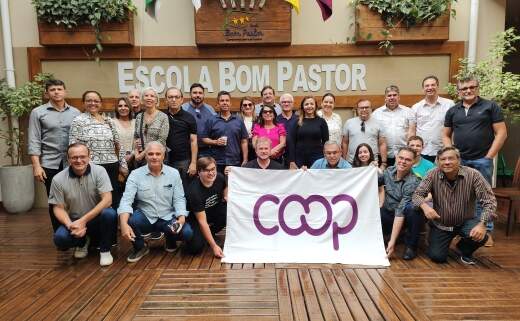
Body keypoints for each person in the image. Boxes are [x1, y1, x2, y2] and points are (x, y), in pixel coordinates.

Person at [442, 75, 507, 243]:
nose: (468, 91)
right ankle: (463, 230)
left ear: (477, 88)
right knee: (460, 196)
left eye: (471, 87)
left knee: (484, 197)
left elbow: (501, 133)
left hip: (482, 160)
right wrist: (452, 155)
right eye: (464, 88)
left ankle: (486, 232)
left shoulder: (490, 107)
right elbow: (445, 135)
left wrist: (488, 157)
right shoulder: (453, 111)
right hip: (460, 161)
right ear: (458, 92)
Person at [412, 147, 497, 264]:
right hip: (441, 224)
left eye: (451, 158)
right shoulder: (432, 174)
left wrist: (482, 224)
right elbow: (417, 195)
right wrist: (425, 206)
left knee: (482, 236)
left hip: (466, 221)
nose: (447, 162)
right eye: (443, 159)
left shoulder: (473, 175)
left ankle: (464, 249)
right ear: (438, 162)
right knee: (437, 257)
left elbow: (489, 201)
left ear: (459, 160)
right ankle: (434, 238)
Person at [118, 141, 192, 263]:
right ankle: (140, 247)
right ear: (145, 156)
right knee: (129, 220)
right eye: (150, 154)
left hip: (168, 217)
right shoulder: (135, 174)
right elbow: (126, 200)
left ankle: (170, 239)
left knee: (187, 233)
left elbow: (179, 198)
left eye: (158, 154)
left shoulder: (174, 173)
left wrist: (181, 219)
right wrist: (123, 223)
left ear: (163, 156)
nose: (154, 157)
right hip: (146, 216)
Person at [49, 143, 117, 266]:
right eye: (74, 157)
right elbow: (58, 208)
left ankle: (105, 250)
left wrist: (83, 221)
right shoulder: (58, 179)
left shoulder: (100, 171)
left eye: (82, 156)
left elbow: (107, 200)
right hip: (74, 221)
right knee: (60, 239)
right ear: (68, 159)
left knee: (110, 213)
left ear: (89, 157)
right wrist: (71, 225)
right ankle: (82, 242)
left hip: (96, 219)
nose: (79, 160)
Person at [28, 78, 80, 232]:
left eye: (59, 89)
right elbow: (34, 139)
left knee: (76, 199)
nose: (56, 92)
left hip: (73, 163)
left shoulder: (75, 112)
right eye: (52, 90)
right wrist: (36, 166)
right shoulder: (38, 112)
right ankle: (60, 233)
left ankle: (78, 230)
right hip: (50, 163)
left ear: (65, 92)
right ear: (47, 94)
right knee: (55, 201)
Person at [69, 90, 125, 209]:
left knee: (113, 199)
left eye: (96, 101)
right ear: (83, 103)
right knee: (93, 201)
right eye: (89, 101)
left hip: (111, 166)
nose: (92, 103)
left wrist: (122, 164)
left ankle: (112, 226)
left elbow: (118, 144)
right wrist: (79, 166)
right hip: (91, 167)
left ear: (100, 103)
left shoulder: (108, 121)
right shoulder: (78, 121)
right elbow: (73, 146)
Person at [379, 147, 423, 260]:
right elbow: (373, 180)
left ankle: (411, 246)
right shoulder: (388, 171)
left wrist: (392, 242)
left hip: (404, 217)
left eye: (407, 160)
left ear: (413, 162)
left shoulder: (413, 181)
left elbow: (400, 211)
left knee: (413, 209)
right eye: (401, 158)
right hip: (388, 213)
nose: (403, 162)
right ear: (396, 157)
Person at [185, 157, 228, 258]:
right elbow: (202, 221)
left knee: (229, 210)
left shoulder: (219, 178)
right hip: (196, 219)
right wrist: (214, 246)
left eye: (213, 169)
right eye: (206, 170)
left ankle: (210, 233)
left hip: (213, 213)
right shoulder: (194, 191)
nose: (211, 173)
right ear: (199, 172)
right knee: (195, 248)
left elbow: (225, 187)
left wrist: (226, 195)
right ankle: (201, 236)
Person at [408, 75, 454, 163]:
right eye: (427, 86)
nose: (430, 88)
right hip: (422, 152)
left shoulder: (449, 105)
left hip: (443, 151)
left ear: (437, 86)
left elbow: (454, 128)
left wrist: (451, 148)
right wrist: (410, 150)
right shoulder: (416, 107)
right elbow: (412, 130)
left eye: (433, 85)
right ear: (423, 89)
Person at [202, 91, 248, 174]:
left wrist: (245, 159)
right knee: (218, 185)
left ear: (230, 103)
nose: (225, 103)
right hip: (216, 161)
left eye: (227, 100)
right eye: (222, 101)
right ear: (218, 103)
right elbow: (204, 139)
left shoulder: (239, 120)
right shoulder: (211, 120)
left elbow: (244, 141)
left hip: (235, 161)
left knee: (233, 186)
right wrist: (215, 142)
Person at [165, 87, 198, 189]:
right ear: (166, 99)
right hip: (164, 160)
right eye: (170, 97)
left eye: (176, 97)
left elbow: (193, 141)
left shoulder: (189, 118)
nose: (173, 100)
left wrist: (193, 163)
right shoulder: (161, 117)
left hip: (183, 160)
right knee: (166, 188)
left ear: (182, 99)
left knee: (183, 189)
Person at [372, 85, 412, 166]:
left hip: (403, 155)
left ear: (399, 97)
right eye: (389, 95)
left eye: (394, 95)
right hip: (383, 156)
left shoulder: (408, 111)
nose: (392, 97)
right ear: (385, 98)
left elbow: (412, 132)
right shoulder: (376, 113)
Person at [342, 99, 387, 169]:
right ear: (357, 109)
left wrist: (384, 163)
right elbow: (345, 143)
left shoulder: (379, 123)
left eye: (367, 107)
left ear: (371, 109)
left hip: (372, 164)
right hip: (352, 163)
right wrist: (344, 161)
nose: (364, 109)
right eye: (361, 108)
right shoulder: (349, 123)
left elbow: (382, 144)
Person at [288, 96, 329, 169]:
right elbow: (291, 142)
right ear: (303, 107)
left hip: (317, 158)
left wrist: (326, 157)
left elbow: (326, 142)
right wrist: (292, 161)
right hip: (299, 158)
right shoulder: (296, 122)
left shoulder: (321, 122)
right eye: (306, 104)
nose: (309, 106)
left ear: (315, 106)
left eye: (311, 104)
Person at [134, 87, 169, 165]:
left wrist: (143, 154)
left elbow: (161, 140)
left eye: (152, 96)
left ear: (156, 100)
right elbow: (136, 137)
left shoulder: (163, 117)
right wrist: (136, 153)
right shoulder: (139, 116)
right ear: (142, 99)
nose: (149, 98)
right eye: (146, 95)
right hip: (140, 159)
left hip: (156, 157)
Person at [182, 83, 216, 157]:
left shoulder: (210, 109)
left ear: (203, 95)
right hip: (187, 150)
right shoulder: (183, 109)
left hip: (206, 150)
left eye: (200, 93)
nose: (198, 95)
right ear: (190, 94)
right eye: (195, 93)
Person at [113, 97, 135, 184]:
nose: (123, 108)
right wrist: (122, 159)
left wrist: (132, 155)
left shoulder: (136, 122)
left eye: (126, 105)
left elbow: (139, 141)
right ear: (116, 108)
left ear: (130, 107)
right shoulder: (111, 122)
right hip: (117, 162)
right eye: (120, 106)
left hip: (134, 161)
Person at [276, 93, 298, 167]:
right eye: (284, 102)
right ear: (280, 104)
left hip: (296, 156)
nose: (286, 104)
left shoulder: (299, 119)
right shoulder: (275, 120)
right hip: (279, 157)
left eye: (289, 102)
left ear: (293, 104)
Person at [239, 96, 257, 161]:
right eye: (245, 105)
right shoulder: (237, 120)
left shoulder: (259, 120)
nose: (247, 107)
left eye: (250, 104)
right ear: (241, 107)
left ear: (254, 106)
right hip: (240, 150)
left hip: (255, 151)